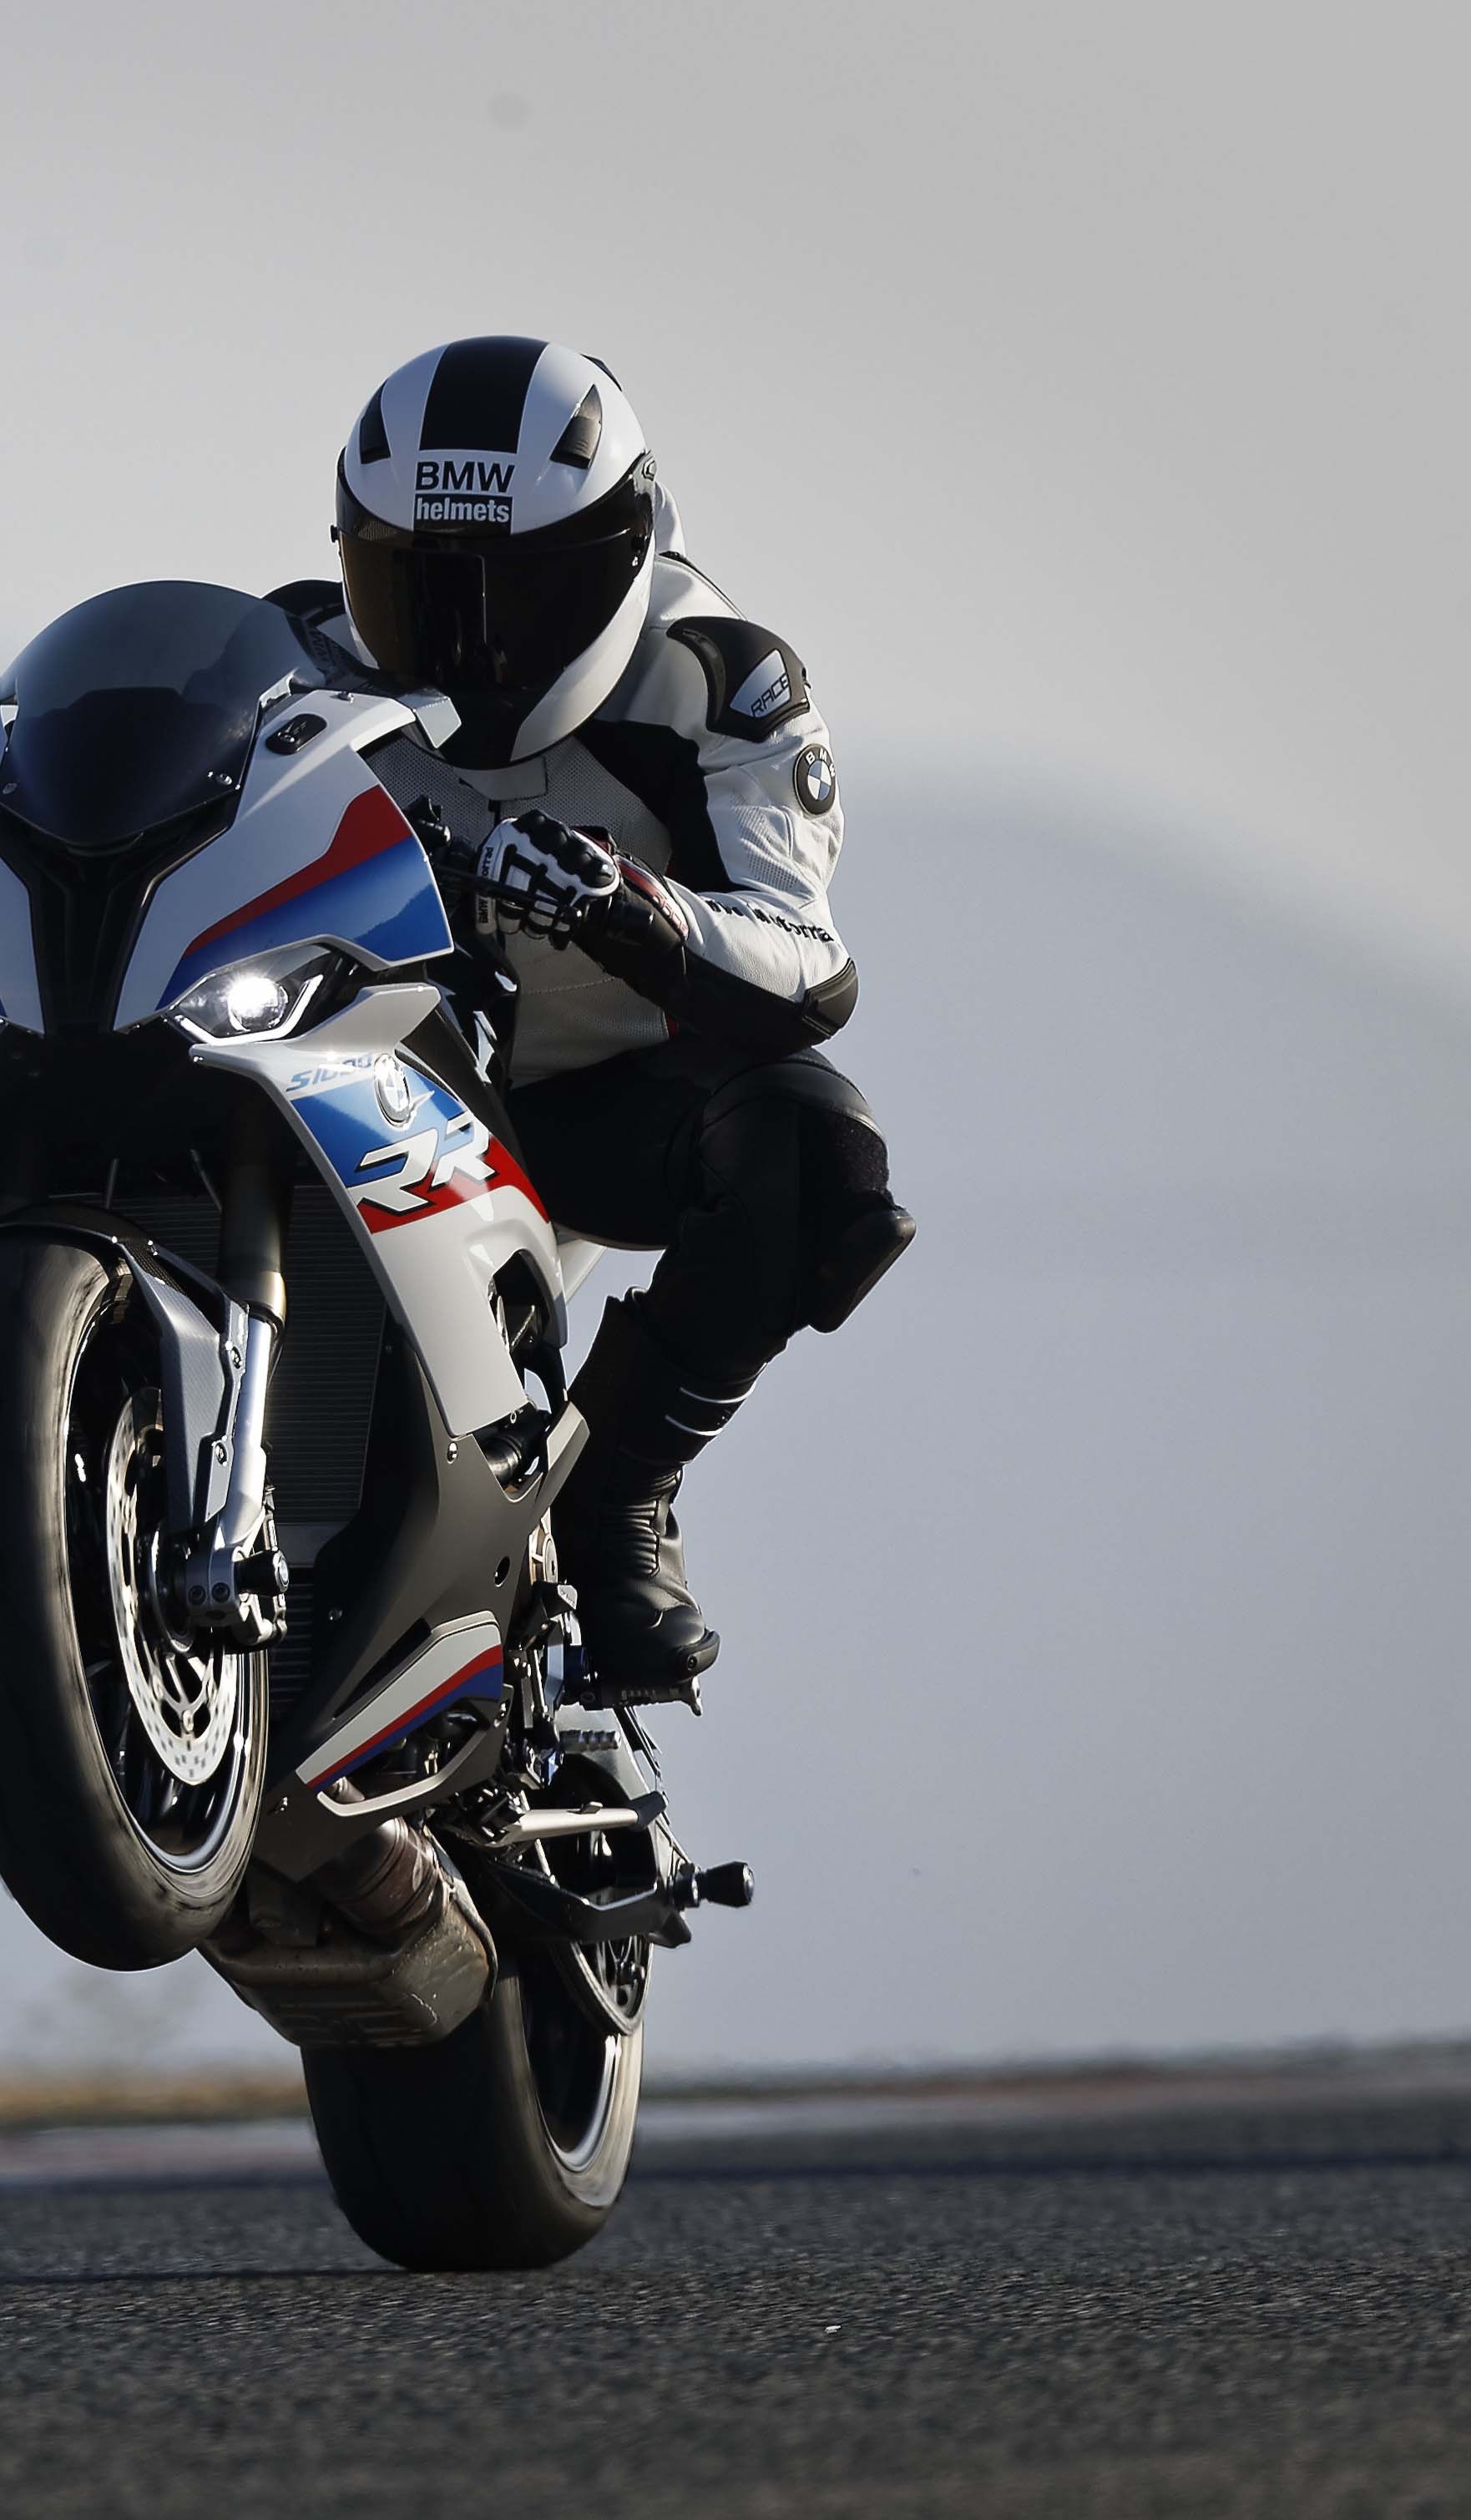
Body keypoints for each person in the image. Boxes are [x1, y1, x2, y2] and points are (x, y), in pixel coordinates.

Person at [270, 336, 912, 1701]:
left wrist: (637, 909)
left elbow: (809, 963)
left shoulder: (717, 679)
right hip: (334, 1088)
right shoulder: (283, 657)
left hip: (581, 1116)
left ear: (627, 552)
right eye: (416, 588)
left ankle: (618, 1492)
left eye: (524, 591)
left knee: (812, 1146)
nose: (468, 642)